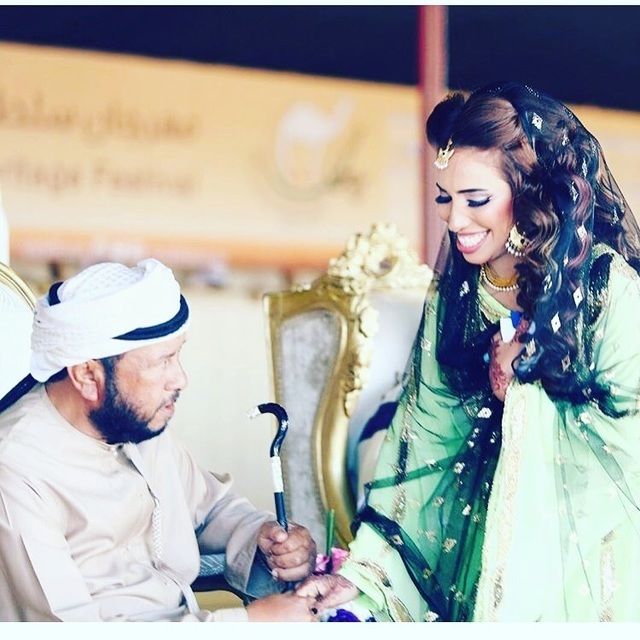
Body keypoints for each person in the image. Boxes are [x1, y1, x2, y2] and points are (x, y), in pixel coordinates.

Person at [297, 81, 640, 621]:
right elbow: (426, 434)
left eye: (475, 200)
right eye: (445, 198)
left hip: (591, 565)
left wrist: (527, 393)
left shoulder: (603, 285)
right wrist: (365, 574)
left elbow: (631, 439)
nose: (455, 220)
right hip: (476, 538)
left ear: (530, 193)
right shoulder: (458, 294)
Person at [0, 258, 318, 622]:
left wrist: (265, 538)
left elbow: (208, 508)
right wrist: (247, 624)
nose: (180, 379)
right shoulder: (16, 471)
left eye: (177, 355)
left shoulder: (133, 420)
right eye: (162, 361)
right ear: (87, 375)